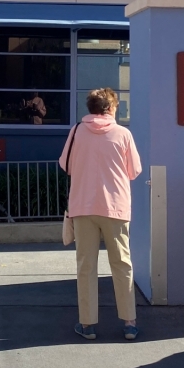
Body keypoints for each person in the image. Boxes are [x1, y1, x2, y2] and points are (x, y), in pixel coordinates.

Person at [59, 87, 142, 341]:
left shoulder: (76, 131)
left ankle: (87, 325)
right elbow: (134, 171)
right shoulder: (123, 134)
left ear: (91, 108)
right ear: (111, 108)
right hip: (115, 207)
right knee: (122, 264)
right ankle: (129, 323)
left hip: (83, 206)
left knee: (86, 266)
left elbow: (66, 165)